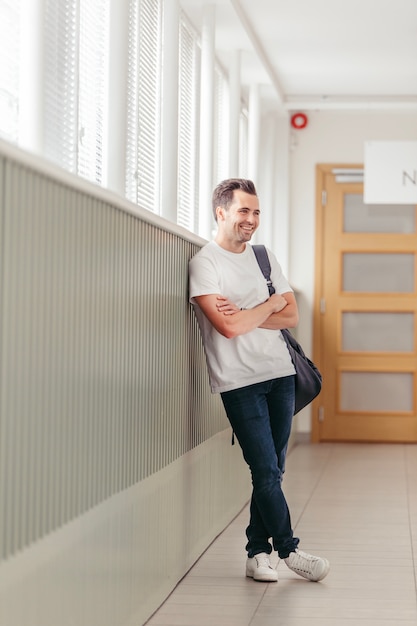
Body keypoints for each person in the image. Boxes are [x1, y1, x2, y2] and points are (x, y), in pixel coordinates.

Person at [188, 178, 330, 583]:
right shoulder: (205, 264)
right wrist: (268, 303)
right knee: (265, 469)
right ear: (221, 212)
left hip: (280, 374)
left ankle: (256, 553)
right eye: (243, 211)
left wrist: (250, 311)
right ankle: (290, 550)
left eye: (256, 212)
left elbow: (291, 317)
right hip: (238, 381)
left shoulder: (264, 258)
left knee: (274, 470)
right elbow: (227, 329)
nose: (251, 220)